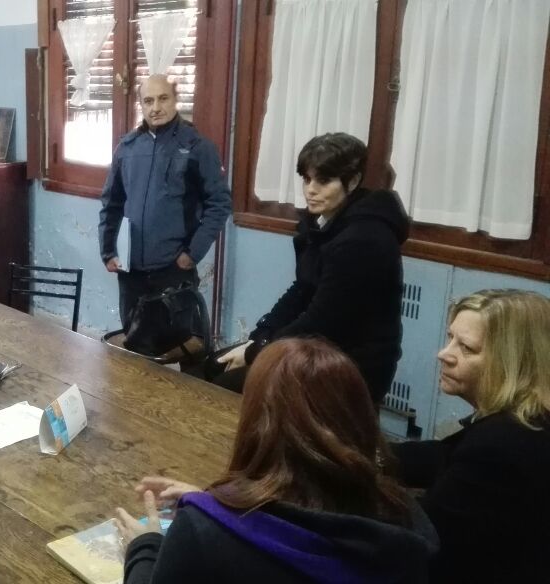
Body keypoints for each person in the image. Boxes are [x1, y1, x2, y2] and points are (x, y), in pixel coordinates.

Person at [115, 338, 438, 583]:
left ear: (257, 424)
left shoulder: (201, 536)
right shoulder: (407, 521)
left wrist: (144, 546)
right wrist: (217, 505)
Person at [215, 133, 409, 403]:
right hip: (319, 346)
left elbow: (324, 321)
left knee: (227, 387)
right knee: (215, 366)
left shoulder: (363, 238)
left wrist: (258, 352)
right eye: (307, 179)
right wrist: (261, 335)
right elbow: (301, 289)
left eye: (324, 181)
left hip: (352, 363)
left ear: (353, 181)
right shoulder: (322, 223)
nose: (310, 190)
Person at [392, 289, 550, 583]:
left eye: (466, 348)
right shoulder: (529, 419)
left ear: (514, 361)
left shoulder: (502, 444)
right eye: (450, 338)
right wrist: (368, 451)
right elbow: (444, 454)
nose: (444, 354)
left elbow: (420, 535)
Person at [98, 75, 231, 360]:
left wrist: (192, 254)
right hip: (131, 272)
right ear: (141, 104)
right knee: (136, 346)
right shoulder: (128, 148)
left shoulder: (197, 147)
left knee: (179, 346)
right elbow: (112, 203)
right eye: (148, 101)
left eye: (163, 99)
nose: (155, 107)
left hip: (173, 269)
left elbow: (219, 204)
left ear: (175, 99)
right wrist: (108, 251)